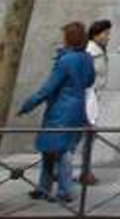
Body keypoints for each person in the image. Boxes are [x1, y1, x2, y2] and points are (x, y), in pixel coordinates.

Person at [19, 21, 97, 205]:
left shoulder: (66, 60)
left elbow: (48, 88)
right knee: (52, 149)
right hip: (77, 108)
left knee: (61, 151)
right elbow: (89, 81)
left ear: (69, 39)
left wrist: (28, 105)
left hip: (61, 111)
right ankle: (43, 188)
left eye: (64, 36)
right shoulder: (87, 58)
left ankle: (63, 191)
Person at [79, 19, 112, 186]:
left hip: (94, 99)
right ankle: (83, 172)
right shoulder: (89, 52)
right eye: (105, 33)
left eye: (108, 33)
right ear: (95, 34)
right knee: (84, 136)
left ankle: (85, 170)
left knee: (87, 137)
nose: (108, 37)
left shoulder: (100, 50)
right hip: (87, 99)